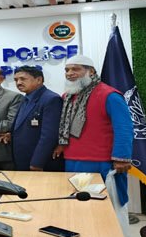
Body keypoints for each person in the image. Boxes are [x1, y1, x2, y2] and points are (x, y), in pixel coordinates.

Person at [53, 55, 133, 207]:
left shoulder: (110, 95)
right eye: (67, 70)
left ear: (91, 71)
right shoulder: (67, 97)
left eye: (75, 69)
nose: (69, 73)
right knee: (78, 206)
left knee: (108, 207)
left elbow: (124, 128)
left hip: (102, 162)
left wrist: (122, 157)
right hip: (71, 160)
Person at [7, 66, 63, 171]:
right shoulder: (25, 98)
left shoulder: (51, 99)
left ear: (39, 80)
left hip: (39, 163)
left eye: (23, 79)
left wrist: (37, 162)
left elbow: (49, 136)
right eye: (16, 80)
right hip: (22, 159)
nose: (18, 83)